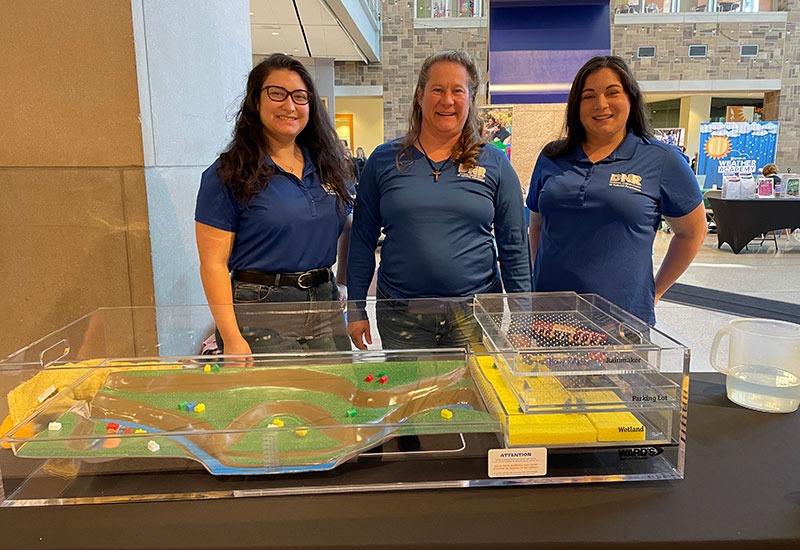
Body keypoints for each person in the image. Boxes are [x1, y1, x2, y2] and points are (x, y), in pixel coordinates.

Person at [347, 50, 532, 350]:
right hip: (400, 317)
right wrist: (355, 308)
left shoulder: (495, 163)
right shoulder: (383, 160)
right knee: (410, 396)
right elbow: (362, 240)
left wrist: (523, 319)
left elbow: (514, 247)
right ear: (420, 96)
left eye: (457, 90)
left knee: (472, 396)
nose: (447, 100)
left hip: (475, 315)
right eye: (437, 90)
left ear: (470, 99)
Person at [527, 55, 707, 325]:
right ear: (576, 106)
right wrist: (536, 285)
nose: (601, 105)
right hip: (550, 315)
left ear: (630, 99)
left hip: (621, 321)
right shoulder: (552, 156)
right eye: (588, 96)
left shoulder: (662, 160)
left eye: (613, 93)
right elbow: (537, 226)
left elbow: (693, 232)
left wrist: (653, 293)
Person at [194, 53, 354, 355]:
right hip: (260, 307)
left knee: (334, 393)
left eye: (300, 96)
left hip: (325, 301)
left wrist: (344, 285)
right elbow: (213, 264)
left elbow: (347, 225)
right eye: (277, 94)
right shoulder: (228, 173)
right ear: (256, 101)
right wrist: (230, 337)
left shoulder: (327, 166)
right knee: (274, 398)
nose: (290, 106)